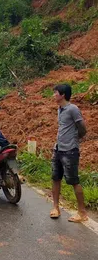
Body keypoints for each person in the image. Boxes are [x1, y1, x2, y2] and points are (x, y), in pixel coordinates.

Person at [50, 84, 88, 222]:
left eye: (55, 93)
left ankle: (82, 213)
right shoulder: (60, 109)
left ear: (63, 94)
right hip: (58, 149)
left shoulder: (73, 109)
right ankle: (55, 207)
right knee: (55, 178)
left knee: (73, 181)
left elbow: (82, 129)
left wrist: (74, 139)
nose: (54, 95)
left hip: (70, 151)